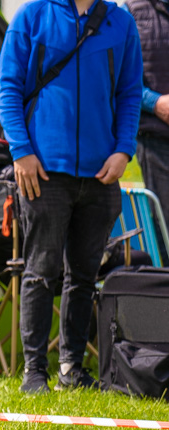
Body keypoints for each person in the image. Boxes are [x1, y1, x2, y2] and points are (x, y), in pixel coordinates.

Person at [0, 0, 142, 394]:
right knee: (40, 272)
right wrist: (21, 151)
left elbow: (130, 94)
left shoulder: (121, 22)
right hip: (42, 171)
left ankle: (72, 370)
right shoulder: (31, 17)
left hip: (101, 173)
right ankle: (34, 373)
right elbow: (6, 89)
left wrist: (123, 149)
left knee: (83, 276)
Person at [125, 0, 169, 248]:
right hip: (156, 142)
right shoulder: (130, 12)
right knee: (165, 229)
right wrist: (156, 103)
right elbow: (123, 80)